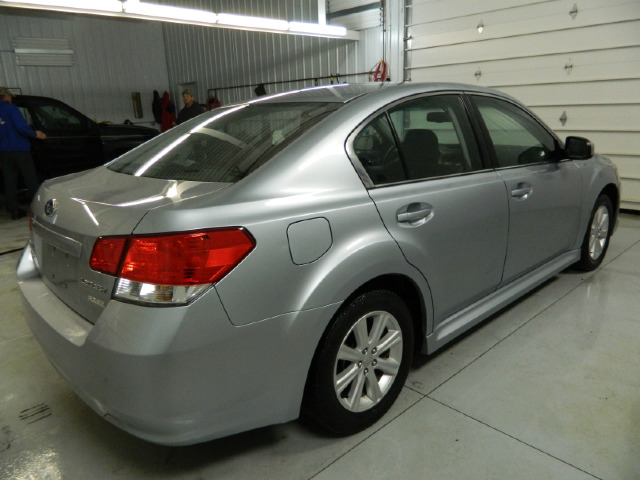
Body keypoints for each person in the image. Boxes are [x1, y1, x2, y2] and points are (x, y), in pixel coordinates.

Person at [0, 86, 46, 220]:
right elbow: (20, 127)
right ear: (6, 97)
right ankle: (38, 209)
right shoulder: (11, 108)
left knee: (9, 181)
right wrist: (35, 134)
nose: (11, 98)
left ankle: (14, 210)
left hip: (4, 152)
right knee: (30, 178)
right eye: (10, 96)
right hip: (20, 150)